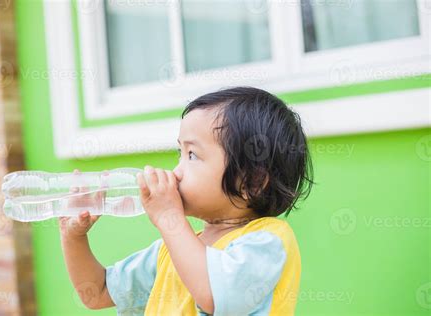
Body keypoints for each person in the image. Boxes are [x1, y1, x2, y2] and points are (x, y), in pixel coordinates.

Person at [59, 86, 314, 315]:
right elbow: (98, 292)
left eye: (192, 155)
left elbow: (214, 295)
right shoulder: (170, 251)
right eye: (179, 153)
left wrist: (169, 219)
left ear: (251, 183)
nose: (176, 171)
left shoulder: (267, 241)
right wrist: (74, 238)